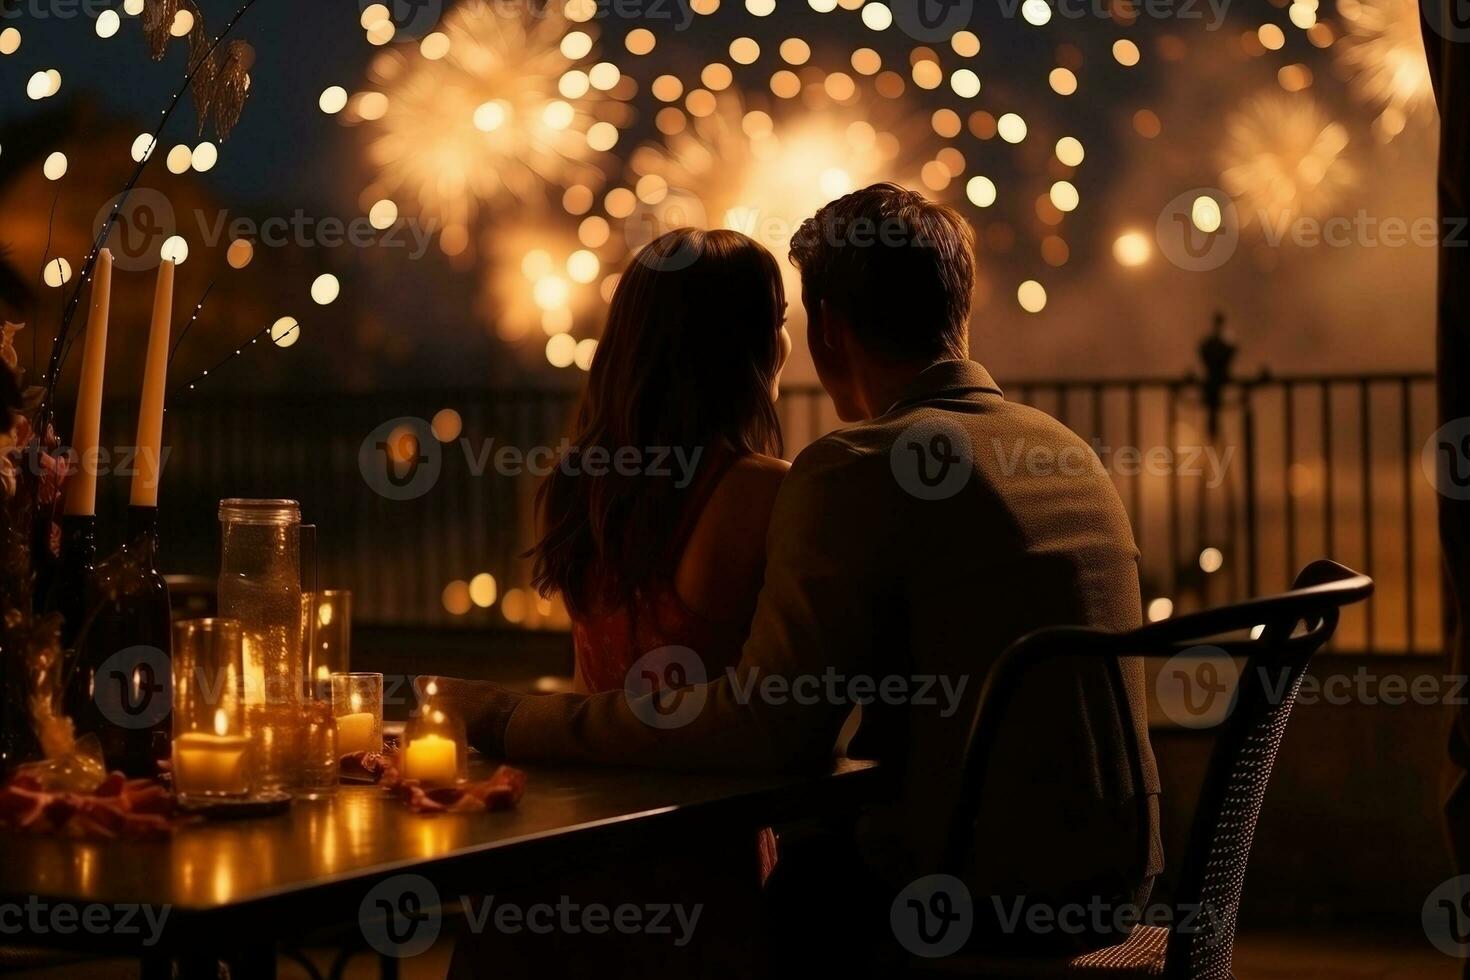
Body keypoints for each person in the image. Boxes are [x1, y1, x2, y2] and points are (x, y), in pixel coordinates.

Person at [433, 183, 1161, 972]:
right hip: (1116, 878)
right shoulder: (1064, 452)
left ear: (830, 334)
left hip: (950, 894)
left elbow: (769, 727)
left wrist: (511, 719)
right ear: (960, 311)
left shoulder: (856, 467)